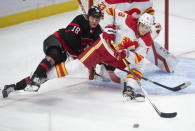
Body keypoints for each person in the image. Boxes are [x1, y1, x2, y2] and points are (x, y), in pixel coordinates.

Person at [32, 8, 155, 101]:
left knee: (140, 63)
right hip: (102, 47)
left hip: (117, 56)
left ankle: (129, 90)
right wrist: (108, 29)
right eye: (143, 25)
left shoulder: (147, 40)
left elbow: (138, 56)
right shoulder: (128, 20)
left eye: (147, 28)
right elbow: (110, 11)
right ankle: (44, 76)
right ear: (138, 22)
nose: (144, 29)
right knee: (77, 67)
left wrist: (127, 54)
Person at [2, 6, 103, 98]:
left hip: (64, 53)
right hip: (56, 40)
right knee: (52, 57)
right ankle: (35, 78)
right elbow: (69, 36)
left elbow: (96, 51)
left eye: (97, 19)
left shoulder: (97, 32)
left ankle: (13, 87)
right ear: (88, 16)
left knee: (46, 75)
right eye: (92, 18)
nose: (94, 21)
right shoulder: (81, 19)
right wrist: (82, 52)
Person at [90, 0, 178, 83]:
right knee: (107, 75)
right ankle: (105, 65)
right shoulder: (109, 2)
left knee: (164, 61)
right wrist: (109, 30)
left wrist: (153, 28)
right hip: (115, 37)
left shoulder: (145, 1)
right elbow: (100, 20)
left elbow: (149, 17)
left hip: (137, 34)